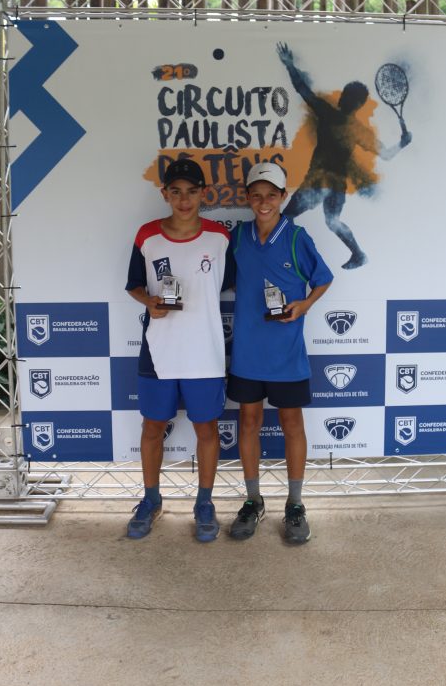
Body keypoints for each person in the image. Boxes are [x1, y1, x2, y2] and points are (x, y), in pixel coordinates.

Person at [225, 162, 333, 544]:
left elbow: (323, 279)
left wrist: (304, 305)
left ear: (283, 197)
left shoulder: (296, 236)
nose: (264, 202)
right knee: (248, 422)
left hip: (286, 353)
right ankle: (253, 501)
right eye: (256, 195)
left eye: (271, 194)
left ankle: (295, 504)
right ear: (247, 198)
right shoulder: (238, 236)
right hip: (247, 353)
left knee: (292, 425)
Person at [125, 158, 229, 541]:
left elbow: (230, 283)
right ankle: (151, 500)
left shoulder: (220, 237)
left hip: (205, 351)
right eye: (176, 192)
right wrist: (148, 301)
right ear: (164, 194)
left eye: (191, 191)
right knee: (153, 426)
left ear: (204, 194)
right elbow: (134, 284)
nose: (184, 200)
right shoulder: (147, 235)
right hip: (159, 350)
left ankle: (204, 503)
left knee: (207, 427)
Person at [277, 41, 411, 270]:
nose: (341, 98)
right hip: (336, 185)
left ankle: (282, 258)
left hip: (318, 181)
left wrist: (289, 65)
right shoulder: (359, 131)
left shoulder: (328, 113)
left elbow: (303, 90)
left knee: (285, 219)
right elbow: (387, 154)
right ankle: (358, 254)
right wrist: (402, 144)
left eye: (346, 96)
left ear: (353, 102)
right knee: (332, 221)